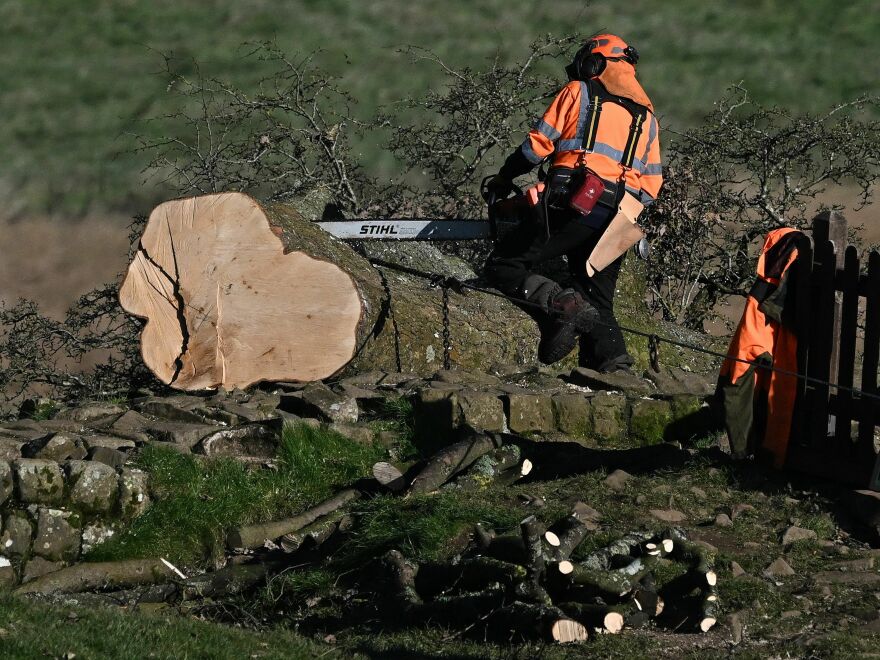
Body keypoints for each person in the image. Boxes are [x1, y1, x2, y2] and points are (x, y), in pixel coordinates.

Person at [483, 34, 662, 372]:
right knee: (597, 296)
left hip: (574, 204)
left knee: (503, 265)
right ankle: (615, 367)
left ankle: (563, 305)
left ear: (596, 63)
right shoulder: (648, 119)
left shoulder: (579, 92)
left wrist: (505, 179)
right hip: (621, 218)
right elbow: (651, 187)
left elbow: (535, 147)